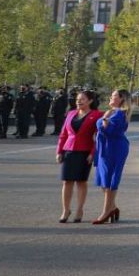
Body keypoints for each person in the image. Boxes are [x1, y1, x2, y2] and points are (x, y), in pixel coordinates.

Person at [56, 89, 103, 223]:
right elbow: (63, 134)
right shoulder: (71, 114)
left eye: (82, 99)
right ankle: (65, 210)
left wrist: (92, 153)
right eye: (77, 99)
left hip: (84, 152)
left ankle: (79, 209)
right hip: (69, 151)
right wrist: (59, 151)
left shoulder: (97, 115)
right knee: (66, 181)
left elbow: (98, 137)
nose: (79, 102)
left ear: (90, 101)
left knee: (81, 182)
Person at [92, 88, 131, 224]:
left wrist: (104, 120)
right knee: (104, 179)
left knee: (110, 179)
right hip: (105, 147)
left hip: (114, 148)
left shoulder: (120, 114)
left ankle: (106, 211)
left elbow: (110, 131)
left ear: (121, 99)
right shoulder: (112, 112)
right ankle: (112, 207)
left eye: (114, 95)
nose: (110, 97)